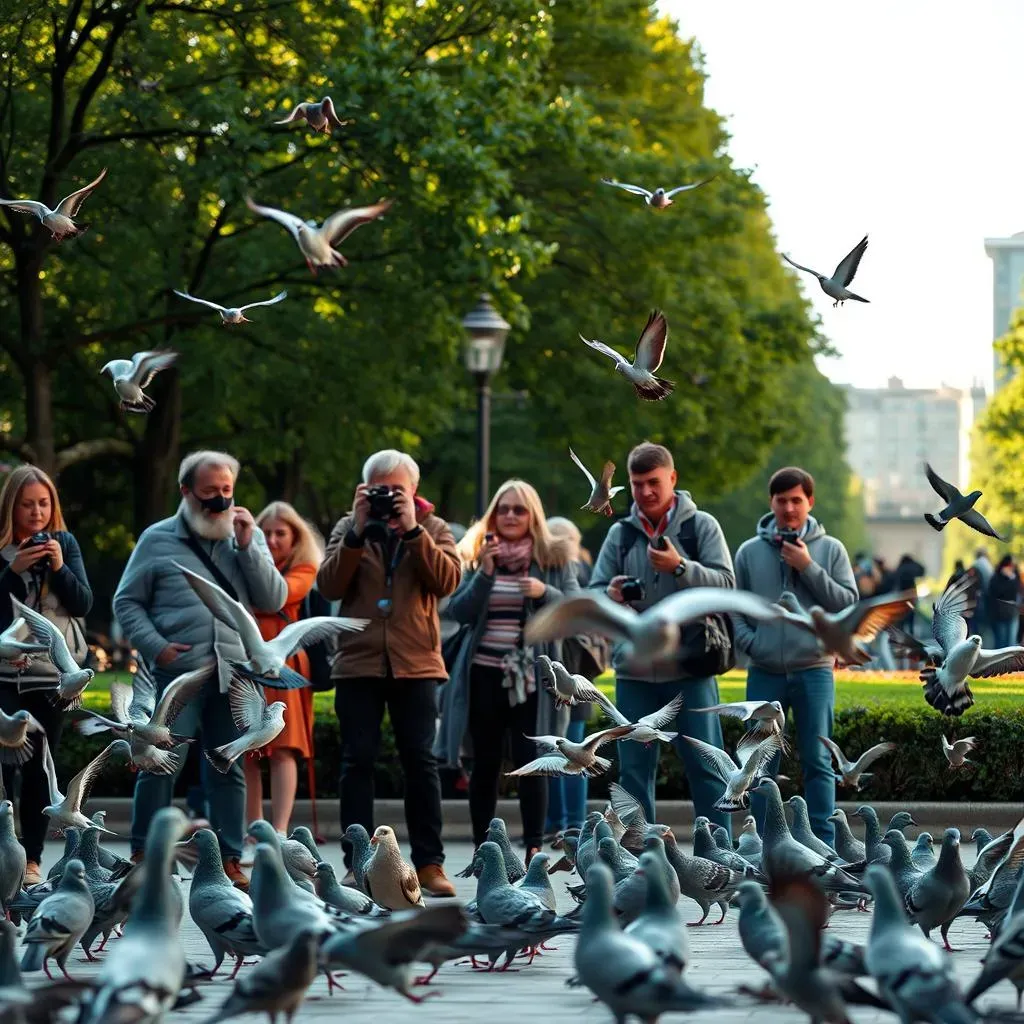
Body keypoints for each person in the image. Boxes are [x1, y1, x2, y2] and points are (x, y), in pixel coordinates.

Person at [113, 451, 287, 889]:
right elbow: (125, 602)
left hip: (235, 675)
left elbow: (273, 600)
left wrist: (249, 545)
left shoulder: (244, 537)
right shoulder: (156, 539)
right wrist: (157, 647)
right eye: (210, 492)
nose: (221, 501)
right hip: (178, 675)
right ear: (186, 492)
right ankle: (145, 853)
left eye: (228, 491)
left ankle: (229, 858)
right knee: (159, 762)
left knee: (227, 766)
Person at [317, 450, 460, 897]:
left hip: (416, 663)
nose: (387, 497)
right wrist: (358, 530)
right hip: (357, 663)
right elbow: (329, 586)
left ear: (414, 491)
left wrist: (414, 532)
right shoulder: (348, 528)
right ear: (363, 490)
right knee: (356, 761)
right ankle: (355, 864)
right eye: (378, 489)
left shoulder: (433, 529)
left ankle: (430, 864)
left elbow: (448, 582)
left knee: (420, 762)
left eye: (395, 489)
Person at [589, 441, 735, 829]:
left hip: (690, 668)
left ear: (673, 478)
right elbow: (592, 592)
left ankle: (721, 857)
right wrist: (610, 594)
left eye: (654, 482)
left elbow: (726, 585)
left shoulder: (700, 526)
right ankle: (641, 863)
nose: (646, 492)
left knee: (708, 769)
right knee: (634, 778)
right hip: (635, 671)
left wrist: (681, 567)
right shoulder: (620, 533)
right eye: (637, 484)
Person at [437, 483, 578, 861]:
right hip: (484, 673)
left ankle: (533, 845)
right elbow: (458, 612)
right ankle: (484, 848)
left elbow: (575, 609)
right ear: (493, 516)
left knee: (531, 759)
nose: (511, 516)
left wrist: (543, 593)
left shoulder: (554, 558)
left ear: (533, 515)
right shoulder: (477, 554)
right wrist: (484, 573)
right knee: (483, 763)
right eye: (504, 510)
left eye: (519, 509)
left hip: (534, 677)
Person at [733, 466, 857, 845]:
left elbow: (848, 605)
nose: (789, 508)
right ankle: (764, 844)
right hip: (764, 671)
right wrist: (753, 644)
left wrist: (808, 567)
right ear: (771, 503)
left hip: (814, 670)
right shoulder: (749, 552)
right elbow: (736, 606)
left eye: (796, 500)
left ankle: (823, 843)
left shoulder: (830, 549)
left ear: (810, 502)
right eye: (782, 500)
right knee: (759, 762)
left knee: (818, 761)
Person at [0, 466, 92, 885]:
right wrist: (11, 571)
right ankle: (6, 852)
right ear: (11, 507)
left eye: (44, 503)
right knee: (4, 764)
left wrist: (59, 567)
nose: (37, 512)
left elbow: (83, 603)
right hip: (4, 674)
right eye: (27, 504)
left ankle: (32, 861)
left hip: (51, 676)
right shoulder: (2, 551)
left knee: (39, 765)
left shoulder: (66, 543)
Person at [240, 502, 323, 846]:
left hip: (284, 660)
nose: (273, 540)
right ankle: (251, 829)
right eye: (267, 533)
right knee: (247, 746)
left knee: (284, 747)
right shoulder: (246, 560)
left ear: (295, 537)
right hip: (248, 657)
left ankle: (280, 830)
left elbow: (276, 598)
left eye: (281, 533)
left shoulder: (305, 567)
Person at [543, 516, 598, 839]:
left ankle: (566, 823)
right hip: (578, 679)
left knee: (568, 754)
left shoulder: (572, 576)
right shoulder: (584, 573)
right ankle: (566, 823)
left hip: (569, 676)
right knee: (573, 754)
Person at [987, 555, 1019, 650]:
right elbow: (997, 592)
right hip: (1000, 614)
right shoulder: (996, 578)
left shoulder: (1014, 577)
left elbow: (1015, 592)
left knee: (1011, 642)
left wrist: (1011, 579)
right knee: (1001, 643)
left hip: (1012, 613)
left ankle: (1010, 664)